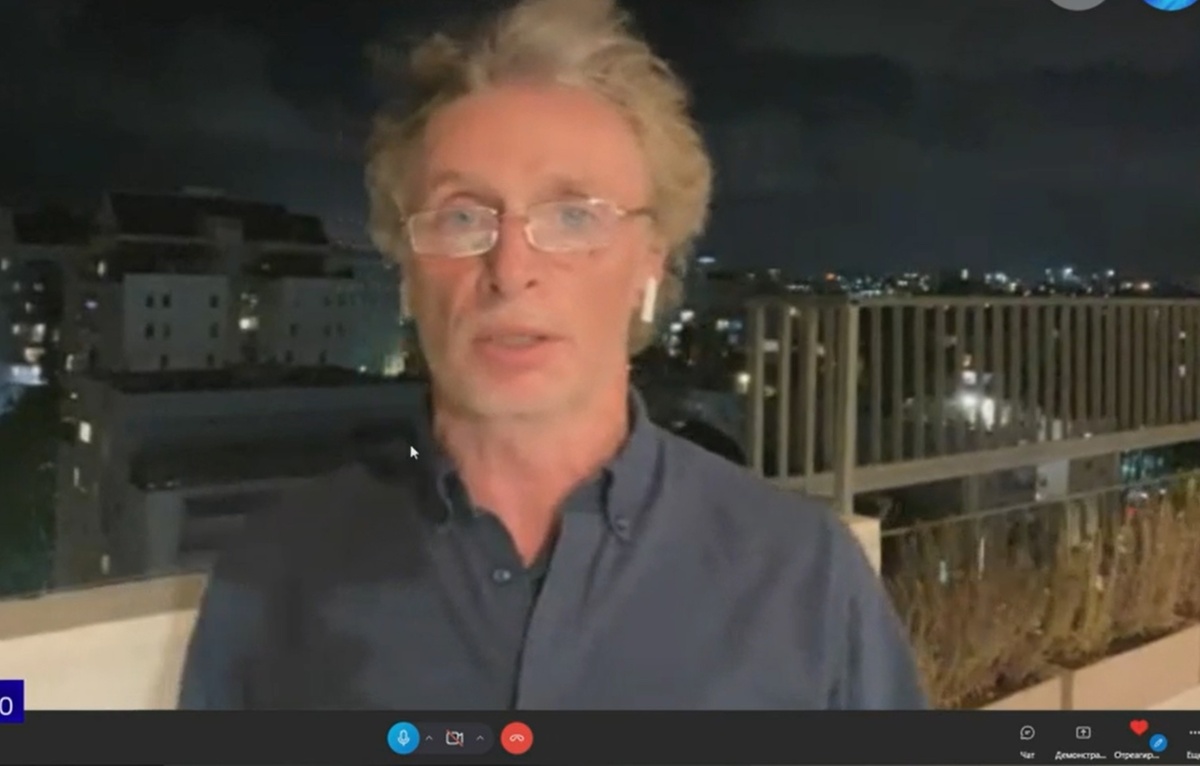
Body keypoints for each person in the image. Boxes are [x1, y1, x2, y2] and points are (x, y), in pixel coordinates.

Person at [178, 0, 927, 710]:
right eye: (463, 217)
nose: (510, 270)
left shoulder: (801, 576)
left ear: (651, 263)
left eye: (572, 217)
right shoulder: (280, 576)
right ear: (405, 267)